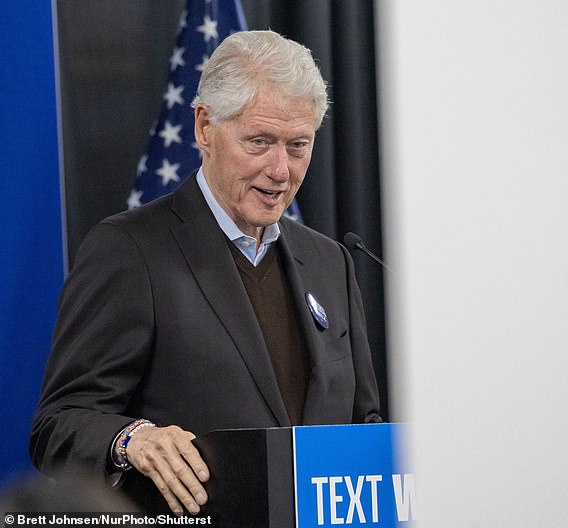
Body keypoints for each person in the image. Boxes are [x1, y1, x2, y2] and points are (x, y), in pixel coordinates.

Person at [30, 30, 382, 515]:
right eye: (260, 141)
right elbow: (58, 424)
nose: (281, 170)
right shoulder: (130, 251)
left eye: (298, 145)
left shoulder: (330, 262)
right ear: (203, 128)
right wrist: (131, 439)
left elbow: (365, 425)